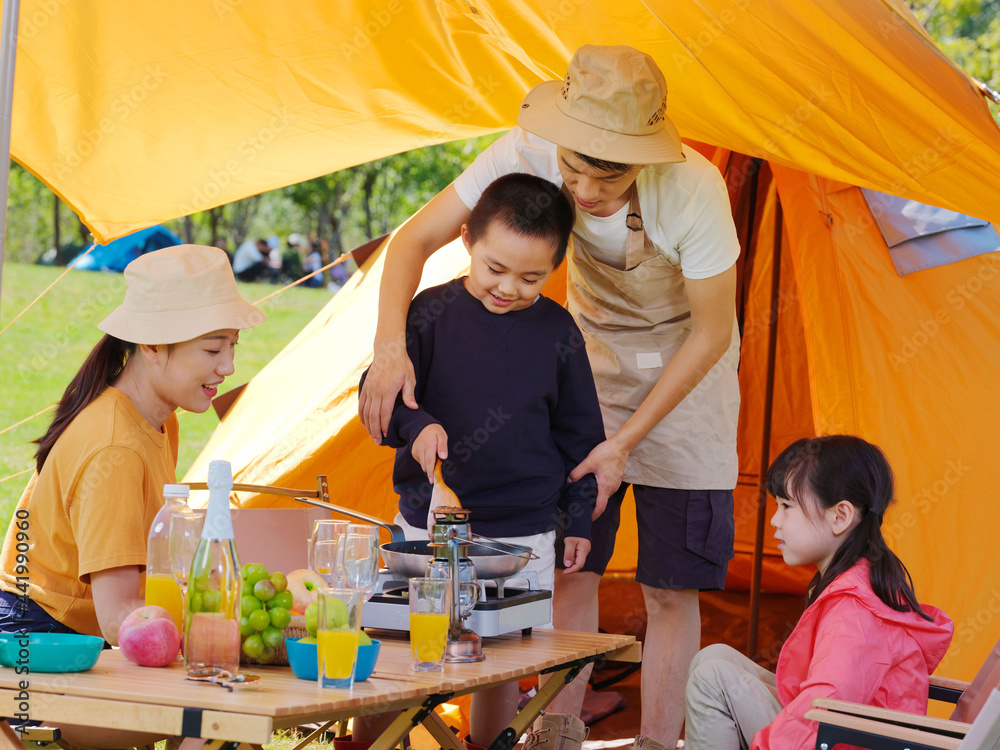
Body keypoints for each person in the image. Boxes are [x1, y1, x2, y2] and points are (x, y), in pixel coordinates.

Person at [358, 45, 741, 750]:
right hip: (586, 370)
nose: (585, 191)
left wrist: (624, 445)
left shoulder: (695, 190)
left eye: (608, 176)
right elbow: (413, 241)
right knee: (575, 565)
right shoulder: (528, 150)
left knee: (670, 586)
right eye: (573, 170)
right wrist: (389, 349)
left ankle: (659, 743)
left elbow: (713, 331)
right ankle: (554, 736)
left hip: (688, 385)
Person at [355, 173, 606, 749]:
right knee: (399, 651)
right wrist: (418, 427)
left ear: (556, 267)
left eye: (531, 278)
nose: (508, 288)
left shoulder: (558, 333)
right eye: (495, 269)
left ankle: (485, 743)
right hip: (426, 525)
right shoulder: (428, 314)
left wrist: (579, 518)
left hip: (524, 537)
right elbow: (377, 402)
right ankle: (372, 744)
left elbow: (580, 439)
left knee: (502, 665)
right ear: (466, 238)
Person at [0, 245, 264, 749]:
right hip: (40, 647)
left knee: (230, 713)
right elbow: (120, 614)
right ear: (151, 346)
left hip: (74, 637)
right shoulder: (115, 447)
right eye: (212, 350)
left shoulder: (158, 421)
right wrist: (219, 630)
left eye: (232, 345)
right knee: (217, 723)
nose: (228, 365)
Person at [684, 435, 954, 749]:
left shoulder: (854, 610)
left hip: (841, 738)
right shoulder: (866, 575)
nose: (774, 520)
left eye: (786, 506)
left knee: (711, 679)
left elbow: (823, 710)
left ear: (840, 516)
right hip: (845, 733)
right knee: (711, 658)